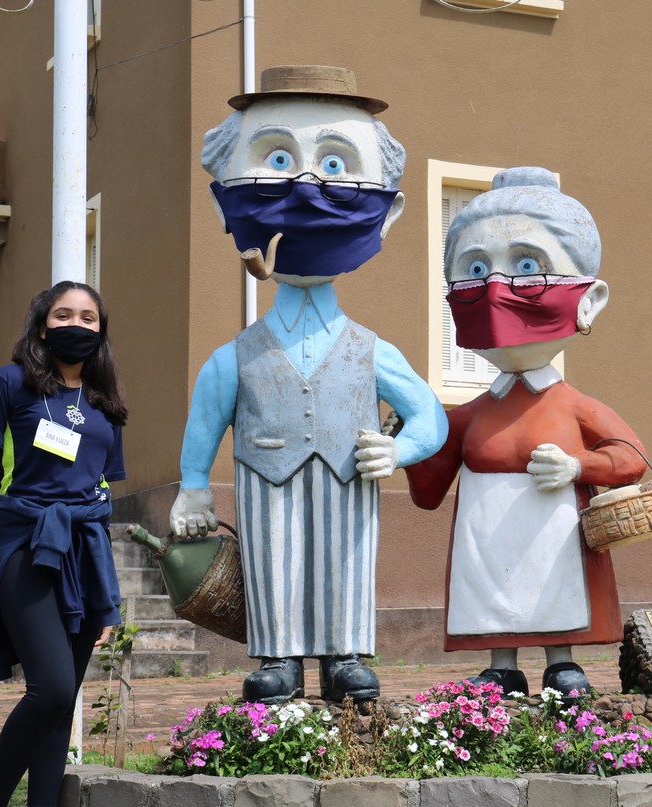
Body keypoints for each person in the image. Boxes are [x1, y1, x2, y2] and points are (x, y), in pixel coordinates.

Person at [171, 66, 447, 705]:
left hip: (349, 478)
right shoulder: (234, 357)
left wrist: (399, 450)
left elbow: (430, 416)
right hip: (264, 476)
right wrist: (192, 485)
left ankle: (345, 654)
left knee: (346, 559)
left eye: (334, 164)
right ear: (224, 202)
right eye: (277, 159)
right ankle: (279, 658)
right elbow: (206, 417)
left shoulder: (372, 350)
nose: (306, 185)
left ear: (386, 211)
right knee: (272, 560)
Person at [406, 167, 647, 698]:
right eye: (474, 269)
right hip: (483, 544)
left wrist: (578, 466)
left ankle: (561, 661)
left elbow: (631, 458)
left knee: (558, 588)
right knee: (492, 596)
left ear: (588, 299)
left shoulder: (575, 406)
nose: (496, 289)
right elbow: (428, 491)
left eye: (527, 267)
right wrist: (407, 441)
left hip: (556, 536)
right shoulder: (467, 416)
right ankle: (502, 666)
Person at [0, 281, 128, 807]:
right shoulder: (8, 384)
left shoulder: (104, 403)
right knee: (49, 689)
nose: (77, 324)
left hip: (83, 552)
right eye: (64, 314)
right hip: (23, 543)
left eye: (89, 317)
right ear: (43, 326)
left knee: (63, 697)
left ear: (101, 330)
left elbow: (98, 494)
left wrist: (105, 592)